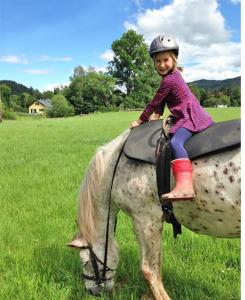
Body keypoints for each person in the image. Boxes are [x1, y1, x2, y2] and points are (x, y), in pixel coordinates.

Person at [131, 35, 214, 201]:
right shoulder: (171, 77)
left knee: (176, 142)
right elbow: (162, 100)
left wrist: (141, 120)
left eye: (166, 60)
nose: (162, 64)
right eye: (158, 61)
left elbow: (155, 100)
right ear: (154, 63)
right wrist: (157, 115)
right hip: (187, 114)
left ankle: (185, 185)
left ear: (174, 59)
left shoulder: (169, 79)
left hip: (190, 117)